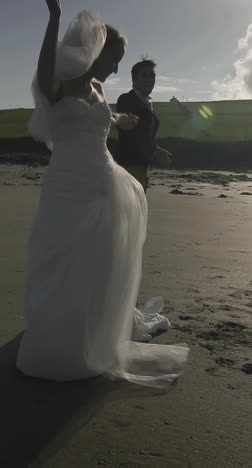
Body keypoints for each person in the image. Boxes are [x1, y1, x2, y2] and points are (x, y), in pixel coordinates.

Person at [16, 0, 188, 387]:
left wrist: (117, 117)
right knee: (59, 262)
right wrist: (54, 18)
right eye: (114, 58)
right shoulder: (59, 84)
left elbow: (94, 115)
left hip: (105, 183)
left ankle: (93, 334)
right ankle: (58, 344)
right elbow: (47, 85)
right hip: (68, 185)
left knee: (100, 261)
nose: (115, 67)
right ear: (95, 51)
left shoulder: (95, 88)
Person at [115, 58, 172, 191]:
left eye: (152, 75)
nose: (149, 79)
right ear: (134, 79)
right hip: (127, 168)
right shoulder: (126, 99)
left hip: (142, 168)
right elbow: (132, 135)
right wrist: (156, 151)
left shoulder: (147, 104)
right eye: (144, 75)